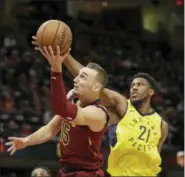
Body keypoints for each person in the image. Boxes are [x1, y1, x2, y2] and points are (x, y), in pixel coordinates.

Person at [55, 51, 169, 176]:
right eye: (133, 85)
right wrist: (65, 55)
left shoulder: (161, 125)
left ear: (151, 92)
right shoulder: (122, 106)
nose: (134, 88)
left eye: (140, 85)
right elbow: (91, 80)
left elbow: (155, 158)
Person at [6, 45, 109, 177]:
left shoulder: (98, 113)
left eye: (82, 77)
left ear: (96, 87)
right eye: (77, 76)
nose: (75, 79)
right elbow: (50, 130)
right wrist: (27, 141)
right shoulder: (75, 104)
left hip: (85, 173)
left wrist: (56, 69)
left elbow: (62, 107)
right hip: (65, 171)